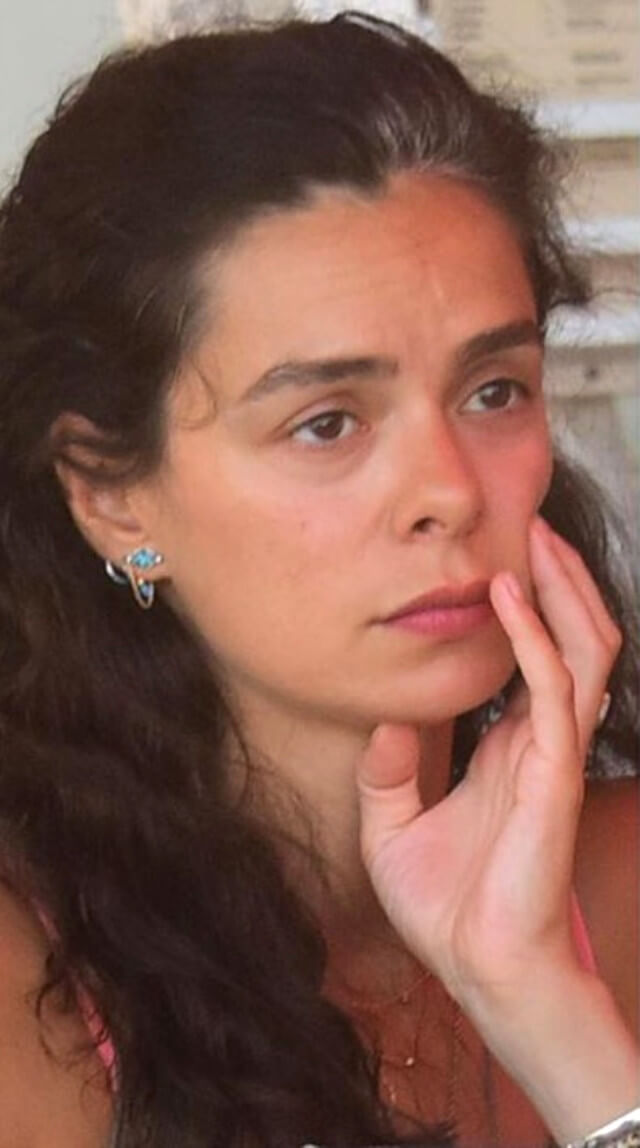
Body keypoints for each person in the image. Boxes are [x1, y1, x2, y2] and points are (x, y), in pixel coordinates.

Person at [0, 12, 638, 1148]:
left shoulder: (623, 881)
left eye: (493, 391)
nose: (448, 492)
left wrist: (543, 1005)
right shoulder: (29, 991)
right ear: (110, 497)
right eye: (327, 421)